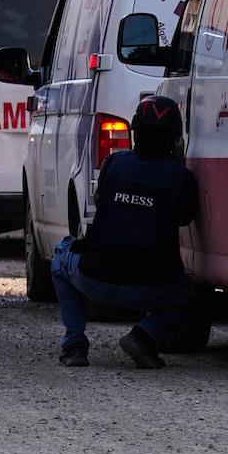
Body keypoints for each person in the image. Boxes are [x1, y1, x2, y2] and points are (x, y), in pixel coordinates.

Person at [51, 94, 200, 369]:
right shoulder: (182, 178)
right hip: (149, 288)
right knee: (189, 296)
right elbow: (184, 218)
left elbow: (101, 201)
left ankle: (74, 346)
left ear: (135, 133)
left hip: (94, 278)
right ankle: (144, 336)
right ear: (175, 139)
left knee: (61, 256)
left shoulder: (113, 163)